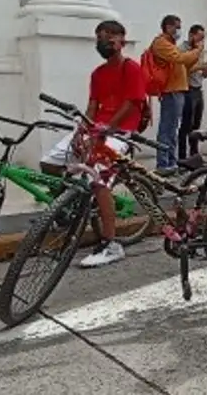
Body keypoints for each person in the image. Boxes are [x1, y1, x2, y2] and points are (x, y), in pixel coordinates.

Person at [42, 21, 146, 267]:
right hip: (96, 128)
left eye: (110, 36)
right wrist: (81, 130)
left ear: (122, 39)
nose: (104, 41)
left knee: (99, 181)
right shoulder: (97, 74)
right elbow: (92, 106)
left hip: (120, 133)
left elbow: (132, 103)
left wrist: (107, 128)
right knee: (50, 162)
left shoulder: (131, 69)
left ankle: (110, 244)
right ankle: (70, 207)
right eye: (99, 37)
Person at [149, 15, 203, 175]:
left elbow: (186, 63)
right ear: (168, 27)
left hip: (178, 89)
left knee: (173, 129)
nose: (179, 30)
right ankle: (163, 164)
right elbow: (180, 58)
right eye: (177, 27)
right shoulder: (161, 43)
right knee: (167, 129)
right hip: (171, 90)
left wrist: (196, 54)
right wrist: (197, 50)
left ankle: (171, 163)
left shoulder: (170, 44)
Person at [177, 24, 207, 163]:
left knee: (196, 125)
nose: (202, 42)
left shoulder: (200, 51)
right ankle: (182, 156)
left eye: (203, 39)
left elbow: (202, 74)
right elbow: (183, 69)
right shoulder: (182, 49)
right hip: (187, 90)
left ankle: (194, 154)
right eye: (200, 38)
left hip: (198, 89)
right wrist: (201, 66)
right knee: (186, 125)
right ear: (191, 36)